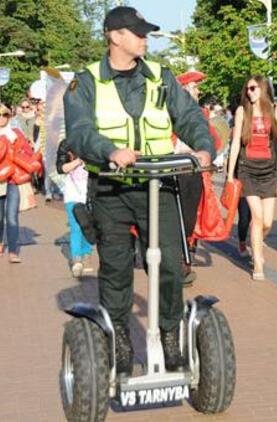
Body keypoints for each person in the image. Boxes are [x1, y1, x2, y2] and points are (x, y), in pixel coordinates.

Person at [63, 6, 214, 375]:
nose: (145, 38)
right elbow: (79, 131)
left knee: (169, 267)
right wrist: (109, 151)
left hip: (159, 184)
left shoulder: (161, 76)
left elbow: (190, 117)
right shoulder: (86, 82)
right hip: (111, 188)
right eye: (137, 32)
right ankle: (118, 339)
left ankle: (169, 332)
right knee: (115, 268)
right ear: (115, 37)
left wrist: (204, 146)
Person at [227, 75, 277, 281]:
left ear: (263, 89)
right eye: (248, 89)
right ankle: (257, 262)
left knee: (267, 222)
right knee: (257, 217)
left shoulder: (275, 110)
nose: (250, 92)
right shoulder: (241, 111)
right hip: (248, 169)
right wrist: (229, 174)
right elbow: (236, 143)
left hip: (269, 170)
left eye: (253, 88)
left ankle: (255, 244)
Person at [56, 139, 93, 278]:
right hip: (72, 196)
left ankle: (87, 255)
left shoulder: (93, 144)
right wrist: (78, 161)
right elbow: (61, 168)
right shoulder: (67, 145)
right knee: (76, 227)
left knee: (87, 226)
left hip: (88, 196)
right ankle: (77, 259)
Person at [0, 102, 31, 263]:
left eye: (4, 115)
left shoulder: (16, 133)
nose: (1, 119)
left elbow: (28, 152)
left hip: (13, 179)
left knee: (11, 216)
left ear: (9, 116)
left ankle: (13, 251)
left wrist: (17, 154)